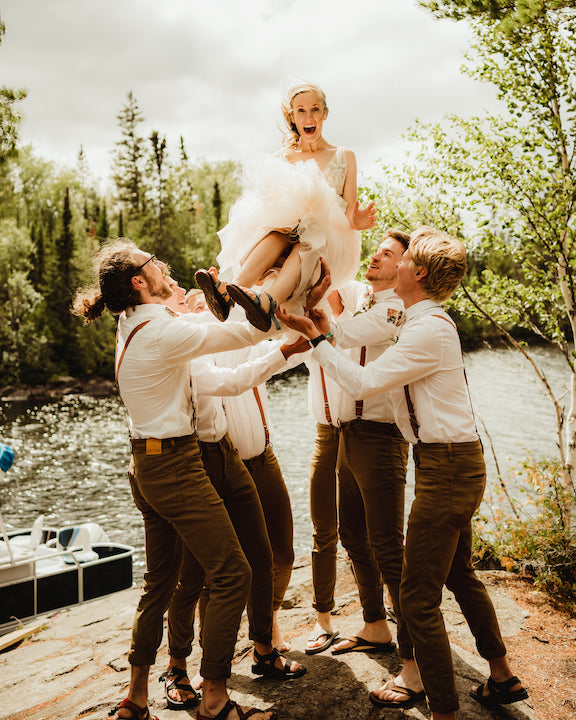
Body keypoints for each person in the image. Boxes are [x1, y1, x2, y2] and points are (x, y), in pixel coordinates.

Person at [276, 226, 529, 720]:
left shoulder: (428, 330)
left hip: (447, 467)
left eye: (406, 256)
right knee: (459, 572)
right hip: (447, 461)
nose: (398, 261)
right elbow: (354, 333)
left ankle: (443, 710)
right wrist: (321, 313)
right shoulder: (413, 319)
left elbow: (366, 381)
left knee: (416, 598)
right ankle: (501, 676)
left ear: (419, 272)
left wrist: (316, 338)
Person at [72, 240, 275, 720]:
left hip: (144, 465)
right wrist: (274, 310)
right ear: (139, 282)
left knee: (159, 582)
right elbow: (245, 334)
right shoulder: (159, 331)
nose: (163, 265)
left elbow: (199, 327)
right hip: (175, 466)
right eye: (152, 263)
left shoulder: (131, 323)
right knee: (233, 573)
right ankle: (216, 699)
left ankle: (136, 697)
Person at [158, 281, 306, 709]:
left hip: (230, 455)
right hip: (192, 458)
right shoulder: (176, 344)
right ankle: (178, 666)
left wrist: (287, 342)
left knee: (261, 557)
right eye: (187, 300)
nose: (201, 306)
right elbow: (229, 380)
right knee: (191, 576)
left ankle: (262, 648)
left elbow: (255, 351)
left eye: (207, 301)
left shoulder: (215, 335)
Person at [195, 81, 375, 332]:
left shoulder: (345, 156)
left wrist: (356, 221)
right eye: (301, 110)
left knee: (310, 231)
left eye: (315, 109)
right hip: (284, 236)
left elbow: (348, 214)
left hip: (330, 243)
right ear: (292, 116)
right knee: (281, 228)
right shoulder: (282, 158)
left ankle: (267, 301)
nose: (309, 116)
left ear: (324, 113)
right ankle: (229, 291)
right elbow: (269, 206)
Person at [311, 230, 410, 660]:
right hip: (351, 433)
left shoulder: (394, 310)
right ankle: (375, 624)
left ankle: (414, 648)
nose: (376, 256)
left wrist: (316, 324)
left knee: (387, 542)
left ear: (404, 268)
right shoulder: (367, 296)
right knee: (353, 533)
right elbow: (332, 264)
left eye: (387, 254)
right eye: (378, 250)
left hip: (382, 436)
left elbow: (341, 335)